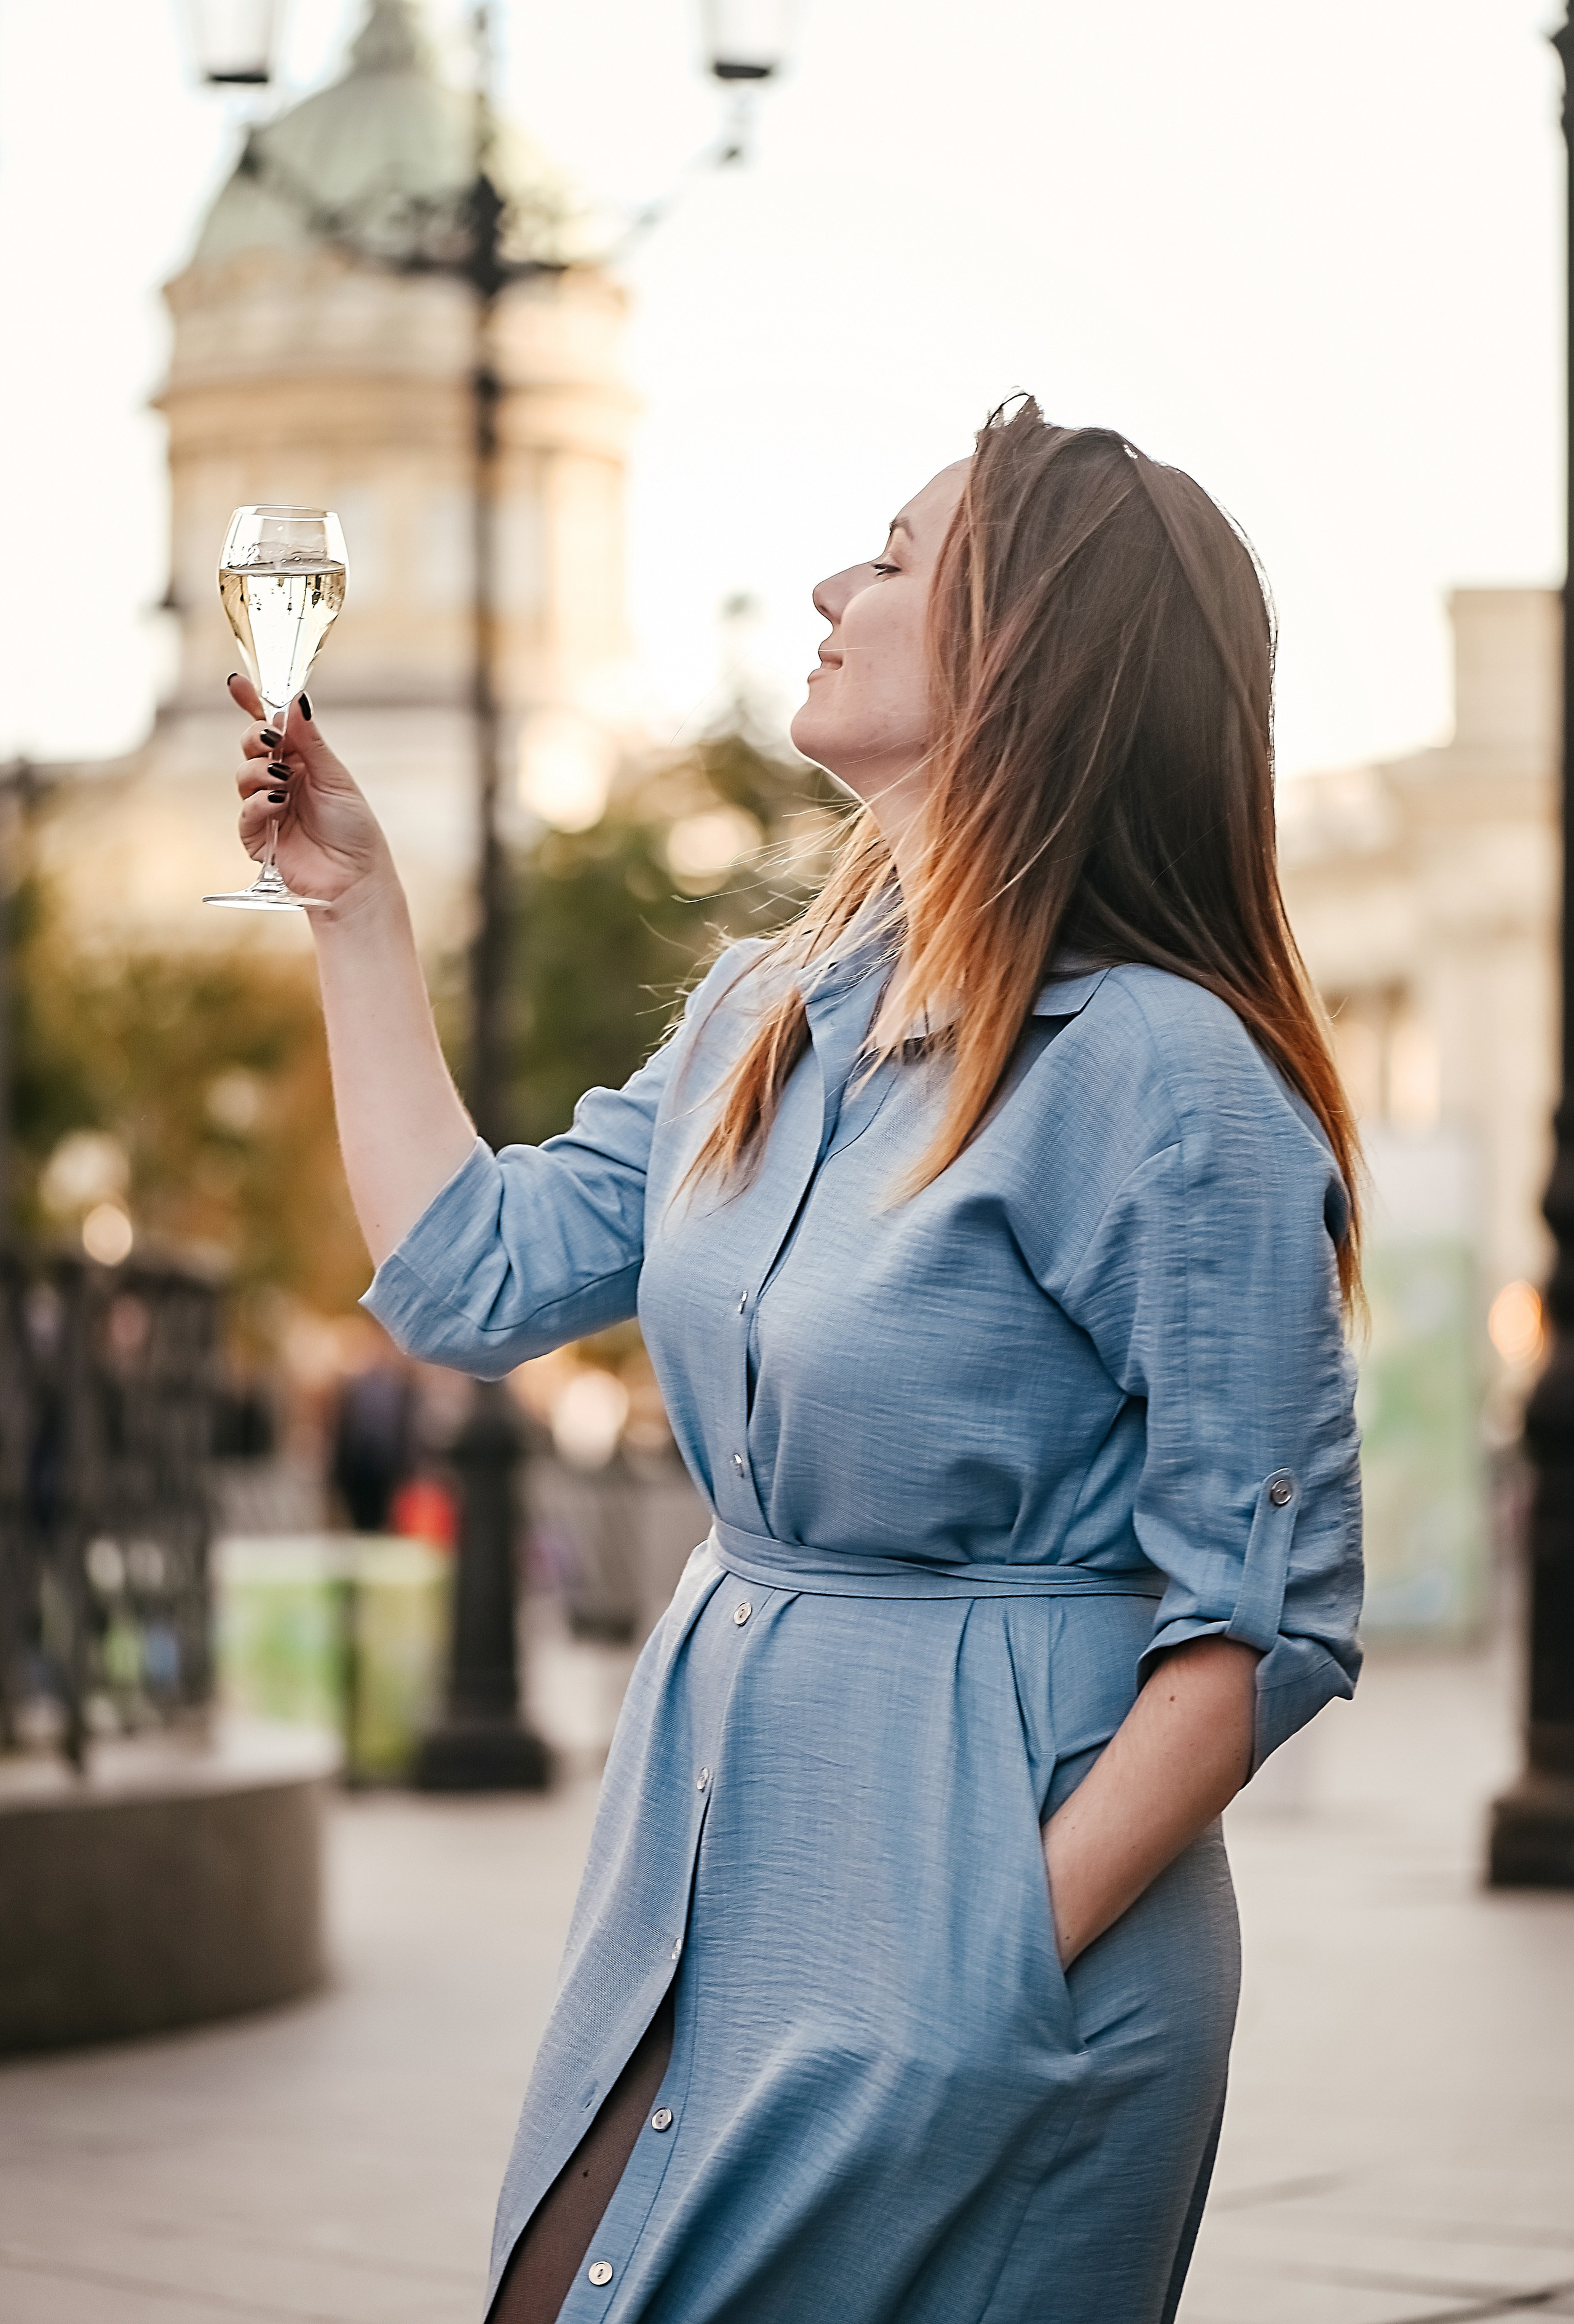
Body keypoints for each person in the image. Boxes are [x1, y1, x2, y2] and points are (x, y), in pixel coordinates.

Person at [227, 397, 1363, 2324]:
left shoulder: (1166, 1074)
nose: (835, 587)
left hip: (997, 1905)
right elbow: (471, 1274)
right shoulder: (768, 1009)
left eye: (900, 557)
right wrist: (359, 915)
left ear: (1029, 653)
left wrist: (991, 1950)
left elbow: (1264, 1621)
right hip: (710, 1846)